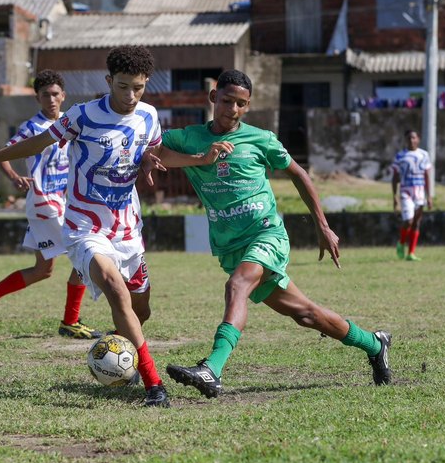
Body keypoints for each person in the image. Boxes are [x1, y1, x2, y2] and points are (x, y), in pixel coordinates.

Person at [0, 46, 222, 407]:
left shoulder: (149, 115)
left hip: (127, 229)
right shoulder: (82, 116)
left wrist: (190, 160)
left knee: (141, 310)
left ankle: (120, 348)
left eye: (138, 88)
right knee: (115, 290)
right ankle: (153, 385)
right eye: (122, 86)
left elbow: (155, 153)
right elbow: (34, 144)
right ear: (109, 81)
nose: (130, 96)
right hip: (84, 227)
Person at [143, 69, 391, 399]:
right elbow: (154, 151)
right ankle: (374, 344)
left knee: (237, 285)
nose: (233, 109)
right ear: (214, 97)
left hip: (267, 235)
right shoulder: (188, 137)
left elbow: (299, 174)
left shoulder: (261, 139)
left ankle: (212, 369)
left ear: (247, 106)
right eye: (227, 101)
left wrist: (323, 226)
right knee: (306, 314)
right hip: (230, 245)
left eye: (241, 104)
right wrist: (196, 159)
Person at [0, 69, 102, 340]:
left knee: (43, 270)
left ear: (63, 96)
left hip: (61, 203)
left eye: (55, 94)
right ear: (37, 98)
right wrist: (14, 177)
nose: (51, 99)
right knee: (84, 255)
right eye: (45, 95)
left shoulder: (69, 122)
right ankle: (70, 321)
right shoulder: (32, 127)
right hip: (45, 204)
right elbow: (3, 154)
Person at [392, 129, 432, 261]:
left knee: (416, 223)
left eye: (413, 138)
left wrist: (429, 196)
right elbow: (395, 177)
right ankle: (401, 242)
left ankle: (411, 253)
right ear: (406, 140)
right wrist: (394, 196)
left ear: (418, 139)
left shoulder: (424, 155)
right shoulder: (400, 156)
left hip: (420, 192)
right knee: (408, 220)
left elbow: (427, 175)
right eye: (409, 138)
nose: (411, 140)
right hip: (406, 191)